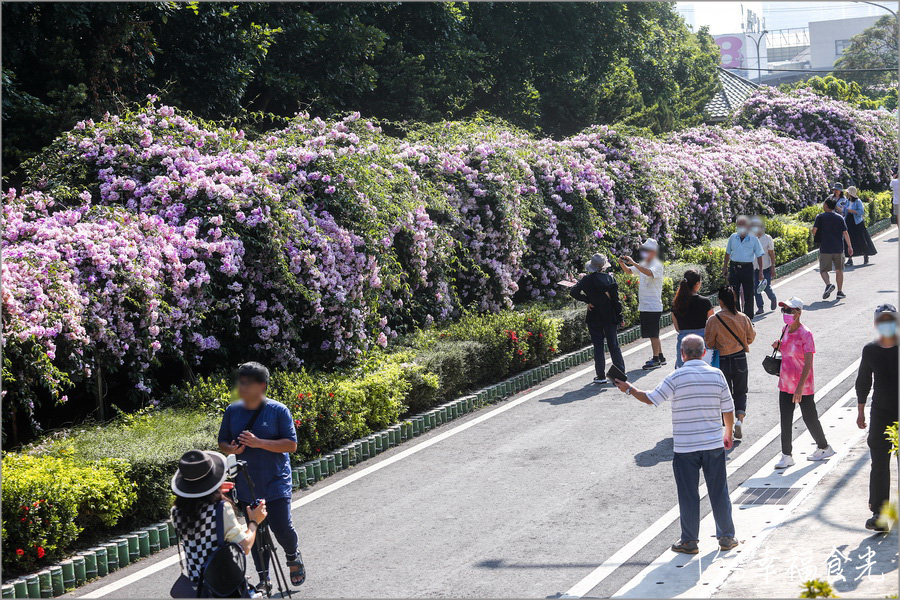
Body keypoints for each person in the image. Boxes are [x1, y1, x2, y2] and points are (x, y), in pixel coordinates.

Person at [612, 335, 738, 554]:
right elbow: (728, 408)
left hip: (685, 448)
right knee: (719, 491)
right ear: (704, 352)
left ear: (682, 354)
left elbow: (651, 398)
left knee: (688, 494)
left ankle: (689, 541)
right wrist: (728, 432)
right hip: (712, 445)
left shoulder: (676, 377)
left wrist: (629, 388)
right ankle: (726, 537)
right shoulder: (716, 374)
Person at [219, 362, 306, 590]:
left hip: (276, 481)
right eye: (240, 383)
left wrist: (259, 443)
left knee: (281, 526)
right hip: (247, 483)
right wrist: (232, 449)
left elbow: (291, 445)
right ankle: (263, 578)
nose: (241, 388)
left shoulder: (278, 411)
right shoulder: (232, 411)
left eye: (247, 384)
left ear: (262, 386)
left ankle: (292, 555)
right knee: (255, 530)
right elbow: (222, 442)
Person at [170, 450, 267, 597]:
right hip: (223, 584)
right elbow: (245, 546)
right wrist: (254, 521)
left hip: (198, 587)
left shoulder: (176, 512)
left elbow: (201, 528)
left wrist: (211, 492)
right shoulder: (220, 508)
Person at [771, 297, 835, 469]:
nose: (786, 313)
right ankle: (786, 455)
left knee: (809, 418)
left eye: (790, 310)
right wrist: (779, 345)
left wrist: (799, 387)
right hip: (785, 383)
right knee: (785, 419)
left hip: (802, 385)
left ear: (798, 313)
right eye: (784, 310)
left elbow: (808, 363)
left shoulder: (806, 334)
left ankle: (824, 447)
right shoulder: (785, 329)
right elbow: (787, 351)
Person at [855, 304, 899, 532]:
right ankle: (879, 513)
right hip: (881, 413)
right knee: (879, 463)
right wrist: (861, 409)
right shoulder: (870, 350)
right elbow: (864, 380)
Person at [704, 287, 755, 440]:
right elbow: (750, 338)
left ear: (720, 301)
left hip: (723, 360)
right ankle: (739, 421)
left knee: (724, 395)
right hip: (740, 357)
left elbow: (709, 343)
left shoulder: (714, 320)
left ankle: (728, 428)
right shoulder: (743, 317)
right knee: (740, 391)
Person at [570, 254, 625, 384]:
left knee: (598, 346)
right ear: (603, 267)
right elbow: (616, 302)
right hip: (609, 315)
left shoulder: (586, 280)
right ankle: (620, 374)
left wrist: (588, 300)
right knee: (614, 346)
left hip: (594, 314)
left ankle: (600, 376)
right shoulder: (610, 279)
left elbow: (573, 292)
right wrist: (620, 316)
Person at [618, 238, 666, 369]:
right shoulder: (645, 263)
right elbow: (629, 271)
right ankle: (660, 356)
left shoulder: (657, 264)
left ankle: (655, 359)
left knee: (653, 334)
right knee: (653, 333)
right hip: (646, 305)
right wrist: (622, 264)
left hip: (653, 305)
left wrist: (634, 262)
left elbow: (649, 273)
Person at [722, 215, 764, 320]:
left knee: (748, 293)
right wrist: (725, 267)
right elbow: (727, 253)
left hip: (747, 268)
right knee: (733, 293)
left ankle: (748, 318)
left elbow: (759, 255)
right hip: (734, 267)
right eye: (738, 225)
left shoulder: (753, 238)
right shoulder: (733, 237)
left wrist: (761, 272)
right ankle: (736, 316)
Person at [811, 198, 853, 300]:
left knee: (823, 270)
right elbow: (845, 233)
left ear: (826, 205)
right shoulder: (840, 218)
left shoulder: (820, 217)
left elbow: (814, 231)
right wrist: (849, 246)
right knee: (839, 270)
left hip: (825, 248)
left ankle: (828, 284)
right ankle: (839, 292)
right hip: (838, 248)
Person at [671, 269, 713, 369]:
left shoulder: (676, 303)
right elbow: (712, 324)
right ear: (697, 283)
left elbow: (677, 328)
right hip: (702, 341)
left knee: (683, 373)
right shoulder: (705, 302)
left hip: (683, 342)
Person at [843, 186, 876, 266]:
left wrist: (852, 211)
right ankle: (850, 259)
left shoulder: (858, 201)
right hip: (849, 221)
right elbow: (844, 210)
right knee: (849, 240)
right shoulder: (847, 201)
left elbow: (861, 212)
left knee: (861, 239)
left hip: (857, 222)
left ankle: (865, 255)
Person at [750, 217, 777, 315]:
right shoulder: (751, 238)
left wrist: (773, 267)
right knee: (756, 288)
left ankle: (773, 298)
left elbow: (771, 253)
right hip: (754, 267)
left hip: (765, 267)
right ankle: (760, 307)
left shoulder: (767, 238)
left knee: (766, 286)